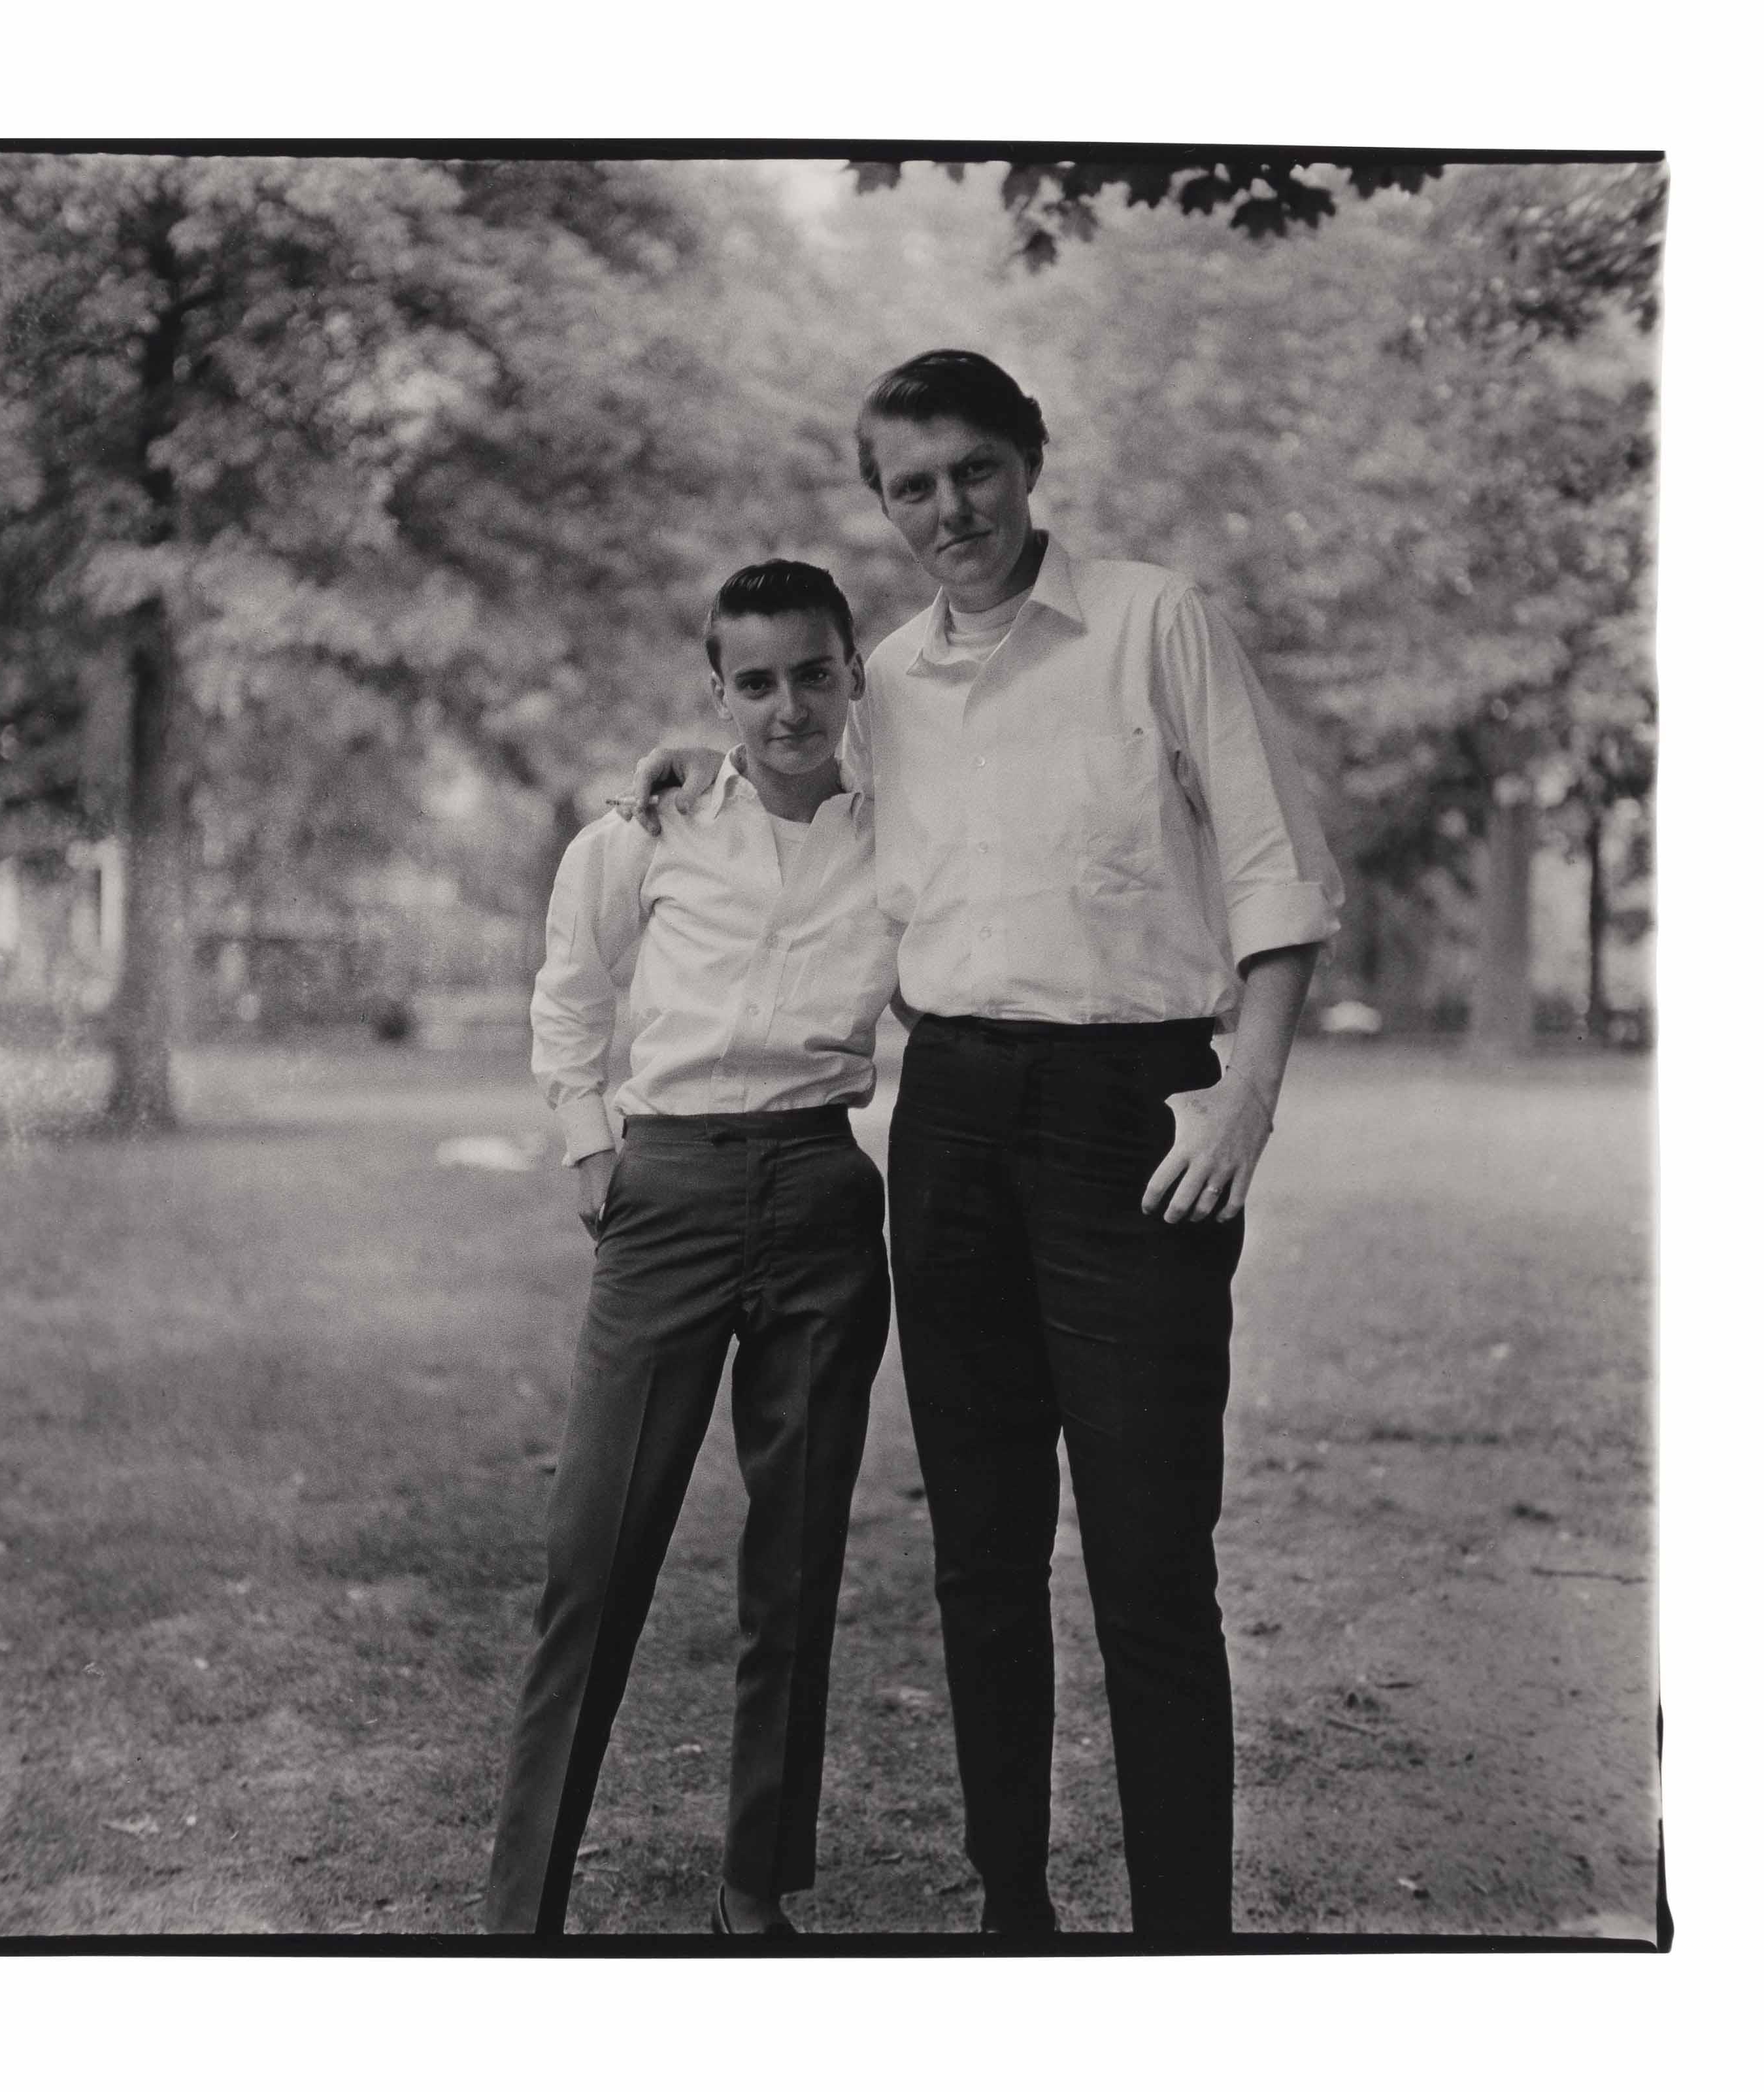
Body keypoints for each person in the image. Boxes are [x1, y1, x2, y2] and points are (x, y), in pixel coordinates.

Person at [625, 351, 1344, 1940]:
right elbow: (795, 758)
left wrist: (1247, 1094)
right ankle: (1010, 1916)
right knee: (982, 1557)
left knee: (1152, 1563)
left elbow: (1277, 880)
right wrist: (697, 757)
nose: (947, 508)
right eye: (911, 485)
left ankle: (1181, 1942)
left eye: (972, 469)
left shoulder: (1158, 623)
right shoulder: (881, 682)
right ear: (880, 505)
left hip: (1135, 1124)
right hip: (947, 1125)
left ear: (1030, 459)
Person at [482, 560, 900, 1937]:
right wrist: (594, 1149)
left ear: (853, 674)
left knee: (794, 1562)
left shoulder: (900, 830)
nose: (789, 706)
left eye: (814, 674)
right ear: (716, 692)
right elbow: (573, 990)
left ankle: (758, 1889)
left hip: (824, 1196)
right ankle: (521, 1911)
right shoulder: (643, 833)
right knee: (593, 1553)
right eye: (757, 681)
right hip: (669, 1186)